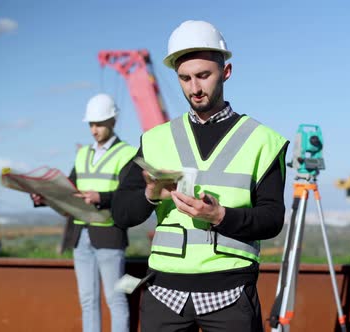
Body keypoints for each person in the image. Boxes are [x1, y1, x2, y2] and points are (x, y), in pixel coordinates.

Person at [112, 20, 289, 331]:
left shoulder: (264, 141)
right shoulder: (154, 140)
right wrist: (150, 195)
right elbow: (121, 213)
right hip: (163, 293)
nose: (194, 88)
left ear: (227, 72)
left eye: (203, 76)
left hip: (231, 293)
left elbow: (272, 219)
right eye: (185, 78)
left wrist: (219, 215)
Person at [31, 93, 136, 332]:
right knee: (88, 300)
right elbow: (68, 189)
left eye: (99, 123)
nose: (94, 129)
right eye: (91, 124)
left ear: (113, 121)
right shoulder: (82, 154)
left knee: (116, 299)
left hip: (109, 235)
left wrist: (102, 198)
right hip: (80, 235)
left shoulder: (126, 154)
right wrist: (43, 198)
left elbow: (130, 196)